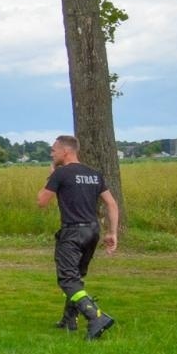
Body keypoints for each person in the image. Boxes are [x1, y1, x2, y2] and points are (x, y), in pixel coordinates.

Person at [37, 134, 119, 339]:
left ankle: (95, 316)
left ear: (66, 151)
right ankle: (69, 319)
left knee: (67, 279)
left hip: (72, 232)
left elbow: (41, 201)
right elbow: (111, 204)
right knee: (76, 277)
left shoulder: (61, 173)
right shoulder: (94, 174)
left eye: (54, 150)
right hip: (92, 232)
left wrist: (51, 176)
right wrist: (112, 232)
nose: (51, 153)